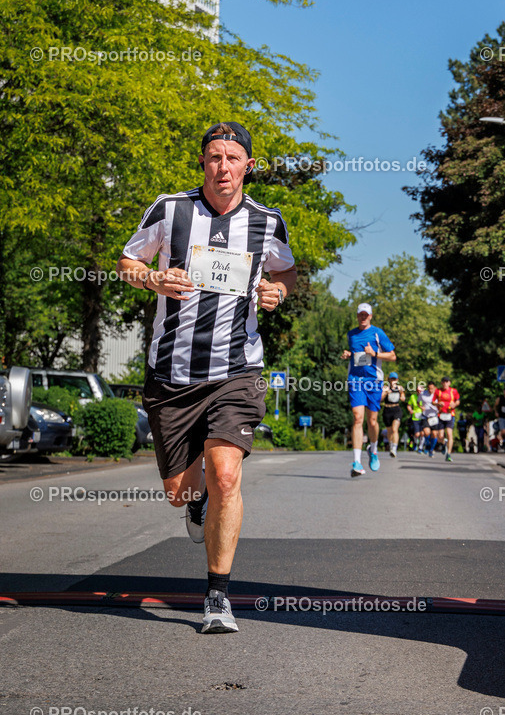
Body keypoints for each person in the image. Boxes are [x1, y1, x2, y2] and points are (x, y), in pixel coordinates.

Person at [116, 121, 297, 634]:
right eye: (214, 157)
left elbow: (286, 271)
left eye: (232, 158)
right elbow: (128, 260)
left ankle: (218, 596)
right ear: (203, 163)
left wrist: (278, 292)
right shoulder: (169, 209)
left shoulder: (267, 222)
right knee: (180, 490)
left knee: (225, 475)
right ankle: (194, 505)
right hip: (171, 373)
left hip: (237, 370)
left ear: (249, 167)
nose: (223, 167)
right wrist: (152, 276)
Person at [342, 303, 396, 476]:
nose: (363, 317)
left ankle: (373, 450)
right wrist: (348, 355)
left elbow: (393, 356)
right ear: (357, 316)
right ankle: (357, 462)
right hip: (356, 380)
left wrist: (375, 354)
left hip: (374, 381)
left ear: (371, 316)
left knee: (372, 421)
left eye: (366, 314)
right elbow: (357, 356)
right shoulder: (351, 334)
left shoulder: (377, 333)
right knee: (358, 418)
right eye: (360, 314)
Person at [432, 376, 460, 462]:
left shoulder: (453, 391)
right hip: (441, 415)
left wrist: (454, 405)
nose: (445, 383)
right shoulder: (438, 391)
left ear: (449, 383)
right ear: (441, 383)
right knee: (440, 436)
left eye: (447, 382)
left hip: (450, 415)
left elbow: (458, 400)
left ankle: (449, 454)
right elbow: (433, 402)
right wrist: (438, 404)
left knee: (449, 433)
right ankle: (444, 444)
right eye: (443, 382)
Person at [382, 373, 405, 457]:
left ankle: (394, 449)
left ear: (397, 380)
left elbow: (403, 398)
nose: (393, 381)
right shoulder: (385, 388)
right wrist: (385, 393)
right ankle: (391, 444)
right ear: (389, 380)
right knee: (389, 431)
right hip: (387, 410)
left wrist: (402, 395)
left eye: (395, 379)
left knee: (395, 429)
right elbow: (380, 399)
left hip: (396, 409)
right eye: (392, 379)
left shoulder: (400, 388)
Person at [419, 380, 440, 456]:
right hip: (425, 416)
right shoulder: (422, 394)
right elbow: (418, 402)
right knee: (426, 432)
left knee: (434, 434)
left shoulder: (438, 394)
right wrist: (421, 407)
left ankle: (431, 449)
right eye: (429, 388)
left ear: (435, 388)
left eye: (432, 388)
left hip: (434, 416)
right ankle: (427, 444)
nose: (430, 390)